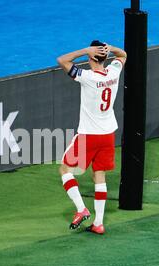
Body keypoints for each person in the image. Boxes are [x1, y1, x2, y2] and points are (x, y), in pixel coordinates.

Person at [56, 40, 127, 235]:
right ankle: (99, 223)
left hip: (89, 135)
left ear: (90, 57)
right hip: (107, 135)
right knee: (99, 175)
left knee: (65, 169)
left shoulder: (87, 77)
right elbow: (123, 55)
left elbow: (62, 60)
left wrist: (84, 50)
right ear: (105, 57)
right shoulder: (113, 72)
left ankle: (81, 209)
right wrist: (111, 49)